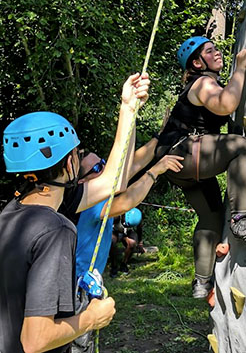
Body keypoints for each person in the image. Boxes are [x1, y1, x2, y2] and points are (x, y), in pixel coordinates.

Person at [0, 72, 149, 353]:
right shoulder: (55, 229)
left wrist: (128, 109)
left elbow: (116, 180)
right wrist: (91, 318)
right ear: (69, 163)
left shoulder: (17, 211)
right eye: (77, 153)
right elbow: (35, 340)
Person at [155, 36, 246, 298]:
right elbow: (225, 104)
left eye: (215, 48)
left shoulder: (201, 82)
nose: (217, 53)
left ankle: (202, 281)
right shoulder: (203, 82)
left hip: (180, 164)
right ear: (198, 63)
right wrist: (241, 68)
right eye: (210, 51)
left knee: (210, 216)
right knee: (242, 147)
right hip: (188, 152)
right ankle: (241, 220)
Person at [71, 141, 182, 353]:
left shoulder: (89, 198)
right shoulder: (88, 205)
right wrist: (156, 170)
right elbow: (128, 200)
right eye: (97, 169)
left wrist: (162, 137)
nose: (105, 170)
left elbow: (129, 166)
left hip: (84, 285)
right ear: (82, 182)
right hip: (76, 291)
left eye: (103, 164)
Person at [109, 207, 142, 278]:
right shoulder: (116, 216)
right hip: (115, 231)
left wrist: (140, 242)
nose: (126, 226)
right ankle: (114, 265)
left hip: (126, 233)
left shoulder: (136, 217)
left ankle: (124, 264)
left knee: (132, 243)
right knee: (111, 241)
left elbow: (139, 230)